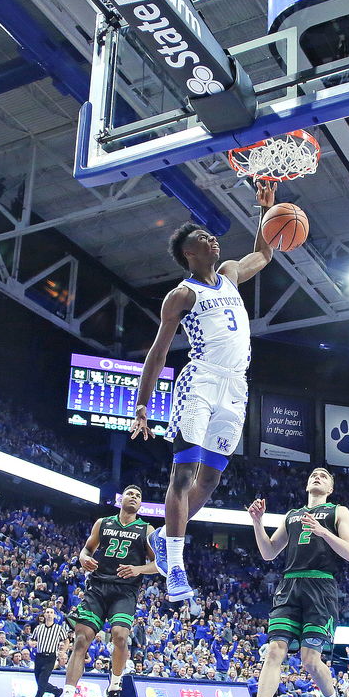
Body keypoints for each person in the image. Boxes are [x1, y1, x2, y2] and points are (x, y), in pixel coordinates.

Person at [129, 181, 277, 602]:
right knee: (183, 473)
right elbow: (157, 353)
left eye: (210, 235)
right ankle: (175, 567)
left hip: (237, 385)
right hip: (200, 380)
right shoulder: (182, 294)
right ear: (189, 253)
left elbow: (264, 254)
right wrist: (142, 404)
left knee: (209, 481)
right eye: (202, 238)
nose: (212, 238)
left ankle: (161, 537)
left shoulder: (230, 273)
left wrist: (265, 213)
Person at [233, 468, 349, 697]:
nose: (317, 476)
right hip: (289, 585)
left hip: (321, 587)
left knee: (310, 660)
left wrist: (323, 532)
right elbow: (268, 552)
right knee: (275, 649)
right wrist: (257, 521)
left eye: (324, 475)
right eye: (313, 474)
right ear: (306, 484)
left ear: (330, 489)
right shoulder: (292, 515)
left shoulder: (339, 512)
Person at [52, 486, 159, 697]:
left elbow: (159, 564)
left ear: (140, 505)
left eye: (138, 495)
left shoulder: (146, 529)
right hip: (98, 587)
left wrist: (138, 569)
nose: (134, 496)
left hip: (125, 590)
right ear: (121, 499)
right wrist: (82, 558)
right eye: (130, 493)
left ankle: (114, 688)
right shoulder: (103, 523)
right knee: (81, 639)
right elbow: (87, 549)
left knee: (120, 636)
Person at [23, 607, 67, 697]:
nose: (49, 614)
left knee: (42, 682)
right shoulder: (39, 628)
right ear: (44, 615)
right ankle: (56, 691)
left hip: (50, 657)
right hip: (39, 656)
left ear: (54, 616)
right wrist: (31, 643)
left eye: (51, 612)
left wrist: (63, 651)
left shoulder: (59, 628)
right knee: (40, 683)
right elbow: (32, 639)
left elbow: (66, 640)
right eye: (47, 612)